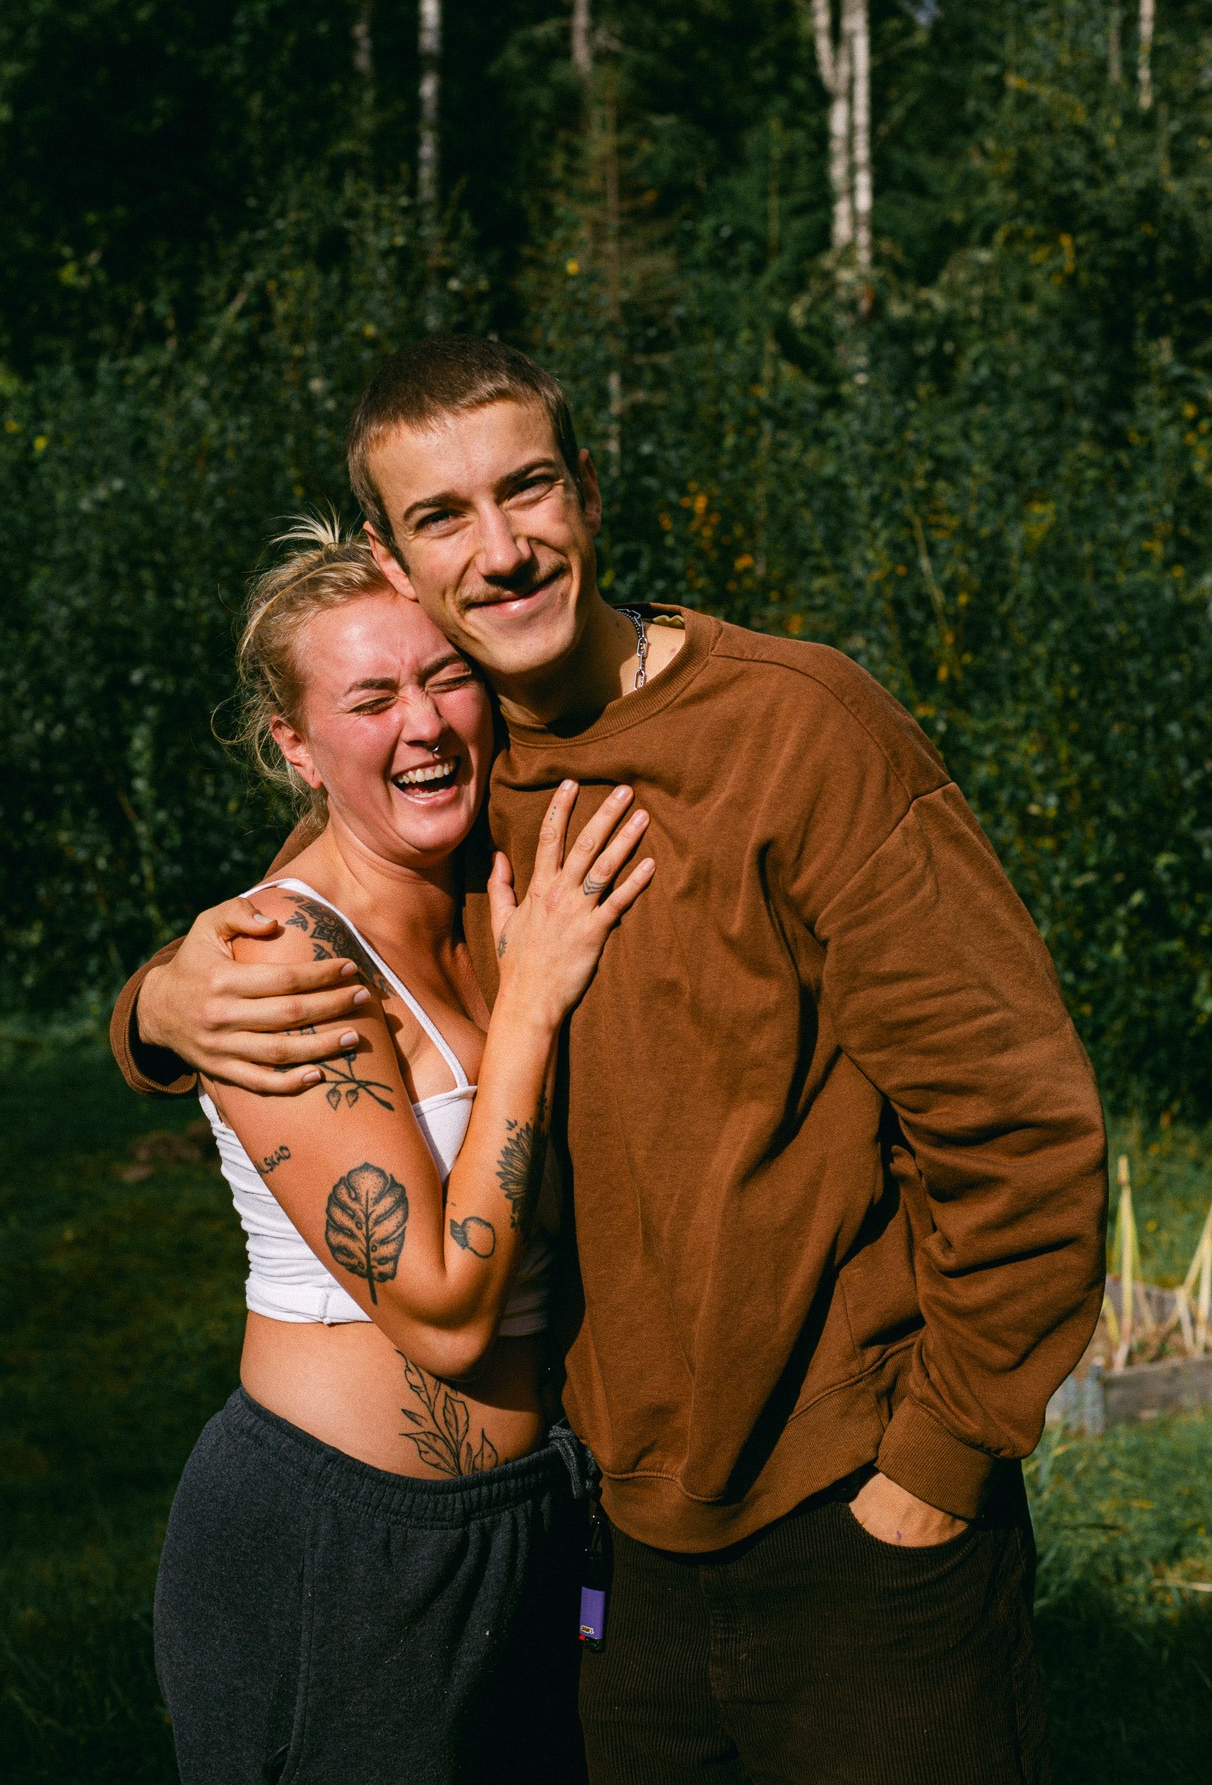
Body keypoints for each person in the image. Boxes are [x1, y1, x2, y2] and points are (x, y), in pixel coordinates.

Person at [114, 337, 1108, 1785]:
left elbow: (1015, 1118)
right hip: (604, 1558)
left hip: (852, 1519)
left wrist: (936, 1468)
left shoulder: (795, 732)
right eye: (442, 516)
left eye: (527, 490)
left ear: (587, 489)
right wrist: (150, 1008)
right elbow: (295, 926)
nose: (503, 551)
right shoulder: (459, 770)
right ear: (394, 560)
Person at [150, 513, 654, 1785]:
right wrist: (534, 1003)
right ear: (297, 747)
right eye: (369, 697)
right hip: (341, 1541)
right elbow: (437, 1309)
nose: (422, 725)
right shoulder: (282, 961)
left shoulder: (481, 889)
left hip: (531, 1520)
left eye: (443, 677)